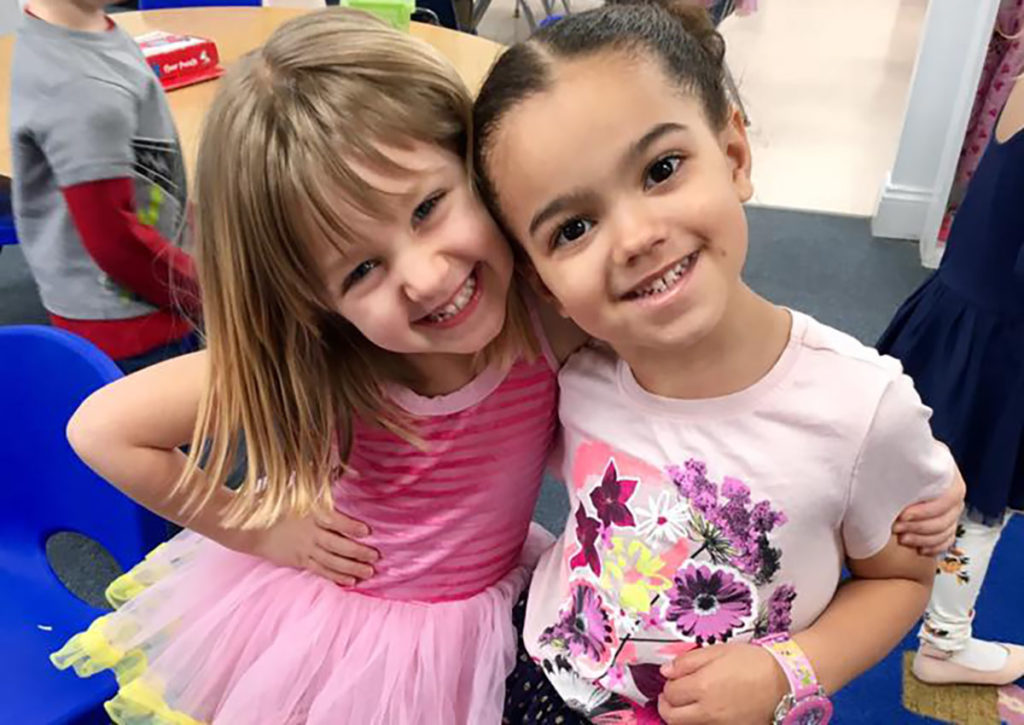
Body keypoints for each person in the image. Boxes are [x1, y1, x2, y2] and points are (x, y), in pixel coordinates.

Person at [48, 9, 580, 724]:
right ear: (314, 300)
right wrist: (257, 529)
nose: (424, 277)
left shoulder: (545, 315)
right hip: (351, 648)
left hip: (495, 609)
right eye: (361, 268)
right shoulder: (324, 356)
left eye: (428, 206)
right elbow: (103, 428)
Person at [470, 2, 968, 722]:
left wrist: (782, 672)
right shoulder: (571, 368)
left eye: (661, 168)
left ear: (735, 155)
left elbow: (900, 580)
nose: (636, 235)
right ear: (542, 278)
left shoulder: (861, 405)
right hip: (545, 680)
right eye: (573, 227)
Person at [876, 73, 1024, 687]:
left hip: (954, 315)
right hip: (1002, 343)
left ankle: (854, 557)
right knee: (984, 500)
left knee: (920, 459)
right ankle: (945, 643)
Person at [10, 0, 199, 373]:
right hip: (133, 319)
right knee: (165, 425)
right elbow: (115, 243)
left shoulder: (86, 31)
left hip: (143, 294)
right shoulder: (79, 89)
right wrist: (201, 290)